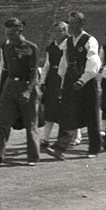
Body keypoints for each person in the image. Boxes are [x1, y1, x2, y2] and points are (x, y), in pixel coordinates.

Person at [49, 11, 103, 159]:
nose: (71, 26)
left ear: (81, 24)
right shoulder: (68, 42)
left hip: (86, 82)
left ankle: (94, 148)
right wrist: (61, 84)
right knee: (66, 113)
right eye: (69, 23)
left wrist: (83, 79)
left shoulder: (89, 40)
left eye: (74, 23)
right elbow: (63, 63)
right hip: (70, 81)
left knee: (91, 115)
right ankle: (59, 148)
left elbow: (94, 62)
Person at [0, 18, 41, 166]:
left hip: (27, 86)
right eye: (7, 34)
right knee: (3, 123)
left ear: (20, 31)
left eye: (13, 34)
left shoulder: (31, 48)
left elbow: (34, 73)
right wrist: (0, 93)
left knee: (30, 123)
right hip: (10, 88)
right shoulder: (6, 48)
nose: (10, 37)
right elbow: (5, 71)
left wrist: (28, 91)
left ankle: (33, 156)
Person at [38, 21, 69, 151]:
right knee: (49, 110)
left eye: (61, 30)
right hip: (52, 79)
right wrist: (43, 81)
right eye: (55, 31)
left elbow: (66, 65)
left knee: (64, 109)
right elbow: (47, 64)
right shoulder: (51, 46)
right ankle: (45, 138)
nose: (57, 34)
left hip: (64, 78)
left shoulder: (68, 45)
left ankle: (70, 137)